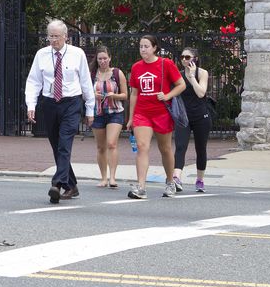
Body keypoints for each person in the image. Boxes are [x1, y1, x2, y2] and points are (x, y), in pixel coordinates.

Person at [24, 20, 93, 203]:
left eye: (56, 36)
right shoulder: (42, 55)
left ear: (65, 37)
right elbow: (33, 81)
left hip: (71, 102)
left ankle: (58, 183)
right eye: (50, 36)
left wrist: (90, 109)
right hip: (49, 102)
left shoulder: (77, 54)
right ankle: (72, 185)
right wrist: (31, 105)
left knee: (64, 143)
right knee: (56, 145)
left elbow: (86, 81)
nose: (53, 40)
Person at [126, 35, 186, 200]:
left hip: (161, 112)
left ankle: (170, 181)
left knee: (165, 148)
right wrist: (131, 117)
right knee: (142, 146)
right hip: (142, 112)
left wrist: (167, 96)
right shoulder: (137, 67)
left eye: (146, 46)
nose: (143, 49)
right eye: (140, 46)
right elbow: (134, 93)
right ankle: (141, 187)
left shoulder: (165, 64)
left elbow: (181, 85)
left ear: (154, 48)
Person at [172, 47, 211, 193]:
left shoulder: (202, 73)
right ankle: (176, 178)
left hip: (201, 117)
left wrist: (192, 77)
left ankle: (200, 180)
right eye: (182, 57)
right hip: (184, 117)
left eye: (187, 57)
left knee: (200, 149)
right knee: (180, 146)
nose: (184, 60)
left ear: (195, 58)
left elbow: (201, 93)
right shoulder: (178, 75)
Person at [89, 46, 126, 189]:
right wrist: (93, 95)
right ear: (97, 60)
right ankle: (103, 177)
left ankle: (112, 177)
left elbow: (125, 95)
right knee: (100, 147)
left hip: (115, 111)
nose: (103, 61)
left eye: (105, 58)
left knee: (112, 143)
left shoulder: (117, 73)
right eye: (100, 59)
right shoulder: (92, 74)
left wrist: (113, 95)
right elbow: (84, 92)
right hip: (98, 113)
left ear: (110, 58)